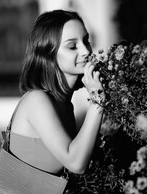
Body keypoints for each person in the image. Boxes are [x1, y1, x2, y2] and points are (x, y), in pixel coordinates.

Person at [9, 10, 104, 191]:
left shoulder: (65, 104)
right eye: (72, 46)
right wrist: (98, 99)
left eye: (86, 41)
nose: (86, 51)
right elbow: (76, 163)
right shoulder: (37, 100)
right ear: (49, 53)